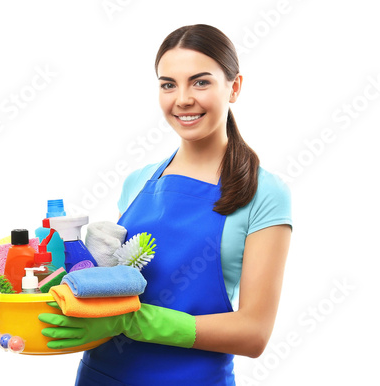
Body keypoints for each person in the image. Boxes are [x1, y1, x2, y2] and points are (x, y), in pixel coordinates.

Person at [39, 24, 292, 385]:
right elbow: (110, 286)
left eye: (200, 82)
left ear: (234, 87)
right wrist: (21, 305)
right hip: (102, 375)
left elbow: (253, 333)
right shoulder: (138, 182)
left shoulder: (263, 193)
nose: (183, 99)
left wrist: (132, 321)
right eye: (168, 84)